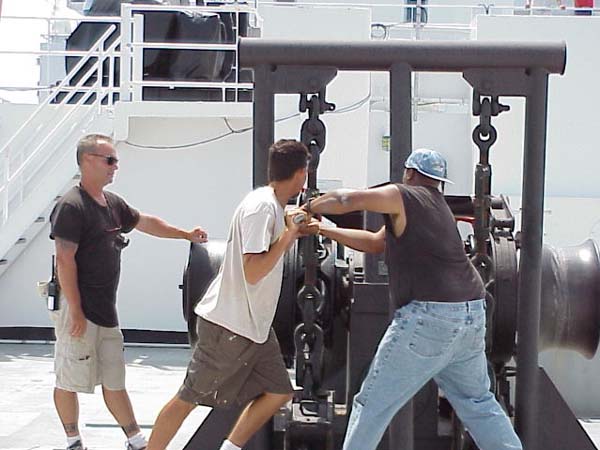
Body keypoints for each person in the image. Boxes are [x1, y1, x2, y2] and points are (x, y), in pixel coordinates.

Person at [303, 148, 523, 450]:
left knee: (371, 404)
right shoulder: (437, 207)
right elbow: (376, 244)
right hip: (471, 315)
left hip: (430, 319)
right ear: (439, 181)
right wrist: (325, 229)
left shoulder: (403, 195)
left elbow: (348, 200)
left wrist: (310, 204)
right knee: (479, 403)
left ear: (409, 172)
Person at [146, 139, 310, 450]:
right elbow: (252, 270)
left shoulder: (273, 205)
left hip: (255, 329)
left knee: (279, 392)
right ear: (301, 174)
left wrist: (294, 225)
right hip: (229, 327)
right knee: (188, 399)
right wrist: (290, 235)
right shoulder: (261, 209)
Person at [49, 133, 208, 450]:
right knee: (69, 377)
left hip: (106, 310)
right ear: (87, 161)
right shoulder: (71, 206)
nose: (115, 167)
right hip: (78, 309)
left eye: (115, 161)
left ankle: (136, 440)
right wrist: (76, 312)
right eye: (109, 160)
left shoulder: (112, 204)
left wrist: (184, 234)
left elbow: (145, 222)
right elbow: (65, 261)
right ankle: (73, 441)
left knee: (114, 379)